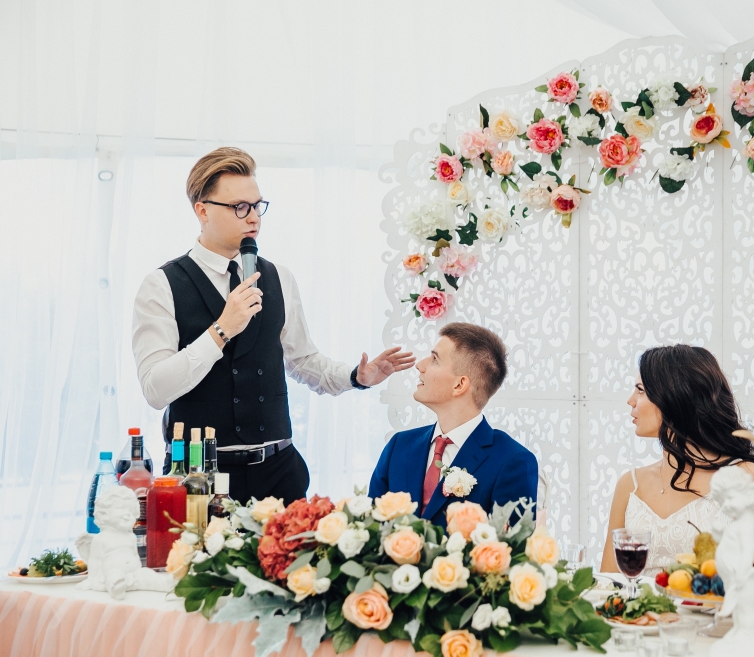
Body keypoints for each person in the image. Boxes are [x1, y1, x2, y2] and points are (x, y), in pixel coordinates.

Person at [132, 147, 415, 504]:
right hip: (200, 479)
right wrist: (221, 330)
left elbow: (302, 360)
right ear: (202, 211)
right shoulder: (160, 286)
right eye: (239, 207)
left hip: (280, 473)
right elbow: (155, 390)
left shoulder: (279, 277)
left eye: (257, 205)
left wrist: (356, 377)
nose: (253, 218)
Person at [600, 344, 754, 573]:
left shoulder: (744, 476)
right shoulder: (629, 485)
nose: (630, 400)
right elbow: (609, 582)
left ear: (674, 397)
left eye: (640, 390)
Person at [368, 323, 538, 527]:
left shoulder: (513, 462)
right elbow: (370, 527)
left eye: (434, 359)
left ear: (459, 385)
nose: (420, 365)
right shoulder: (399, 446)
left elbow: (511, 544)